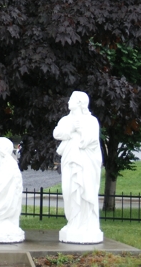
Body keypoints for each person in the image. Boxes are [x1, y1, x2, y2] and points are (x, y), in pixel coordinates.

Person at [53, 91, 103, 244]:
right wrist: (71, 129)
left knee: (85, 191)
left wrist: (80, 130)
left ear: (80, 103)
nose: (68, 101)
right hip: (69, 160)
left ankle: (87, 225)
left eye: (72, 99)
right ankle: (73, 223)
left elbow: (93, 139)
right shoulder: (65, 120)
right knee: (69, 191)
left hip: (86, 162)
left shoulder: (91, 121)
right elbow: (57, 133)